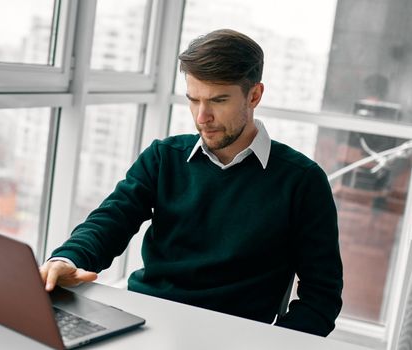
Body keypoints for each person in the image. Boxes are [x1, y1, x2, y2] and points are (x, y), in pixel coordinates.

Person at [39, 29, 343, 337]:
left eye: (218, 100)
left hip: (234, 337)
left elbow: (322, 297)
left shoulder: (303, 181)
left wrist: (275, 345)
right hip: (144, 322)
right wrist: (68, 258)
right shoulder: (164, 156)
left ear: (254, 95)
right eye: (193, 100)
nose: (202, 117)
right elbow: (111, 220)